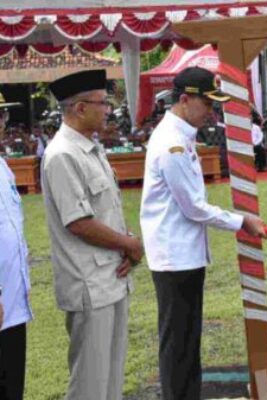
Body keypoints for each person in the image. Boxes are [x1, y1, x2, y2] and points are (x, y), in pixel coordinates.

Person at [140, 66, 266, 400]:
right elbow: (194, 207)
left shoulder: (181, 135)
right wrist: (241, 221)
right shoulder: (172, 144)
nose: (211, 112)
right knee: (179, 341)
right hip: (174, 256)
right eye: (207, 104)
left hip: (183, 252)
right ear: (184, 100)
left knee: (186, 338)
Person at [41, 69, 144, 400]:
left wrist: (125, 245)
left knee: (111, 382)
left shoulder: (91, 149)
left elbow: (105, 212)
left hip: (111, 277)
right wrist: (129, 244)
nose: (108, 109)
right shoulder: (62, 154)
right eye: (103, 103)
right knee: (89, 385)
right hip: (88, 283)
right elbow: (79, 222)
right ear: (79, 108)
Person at [0, 93, 32, 400]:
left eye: (3, 117)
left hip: (13, 295)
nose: (1, 124)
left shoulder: (3, 165)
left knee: (13, 382)